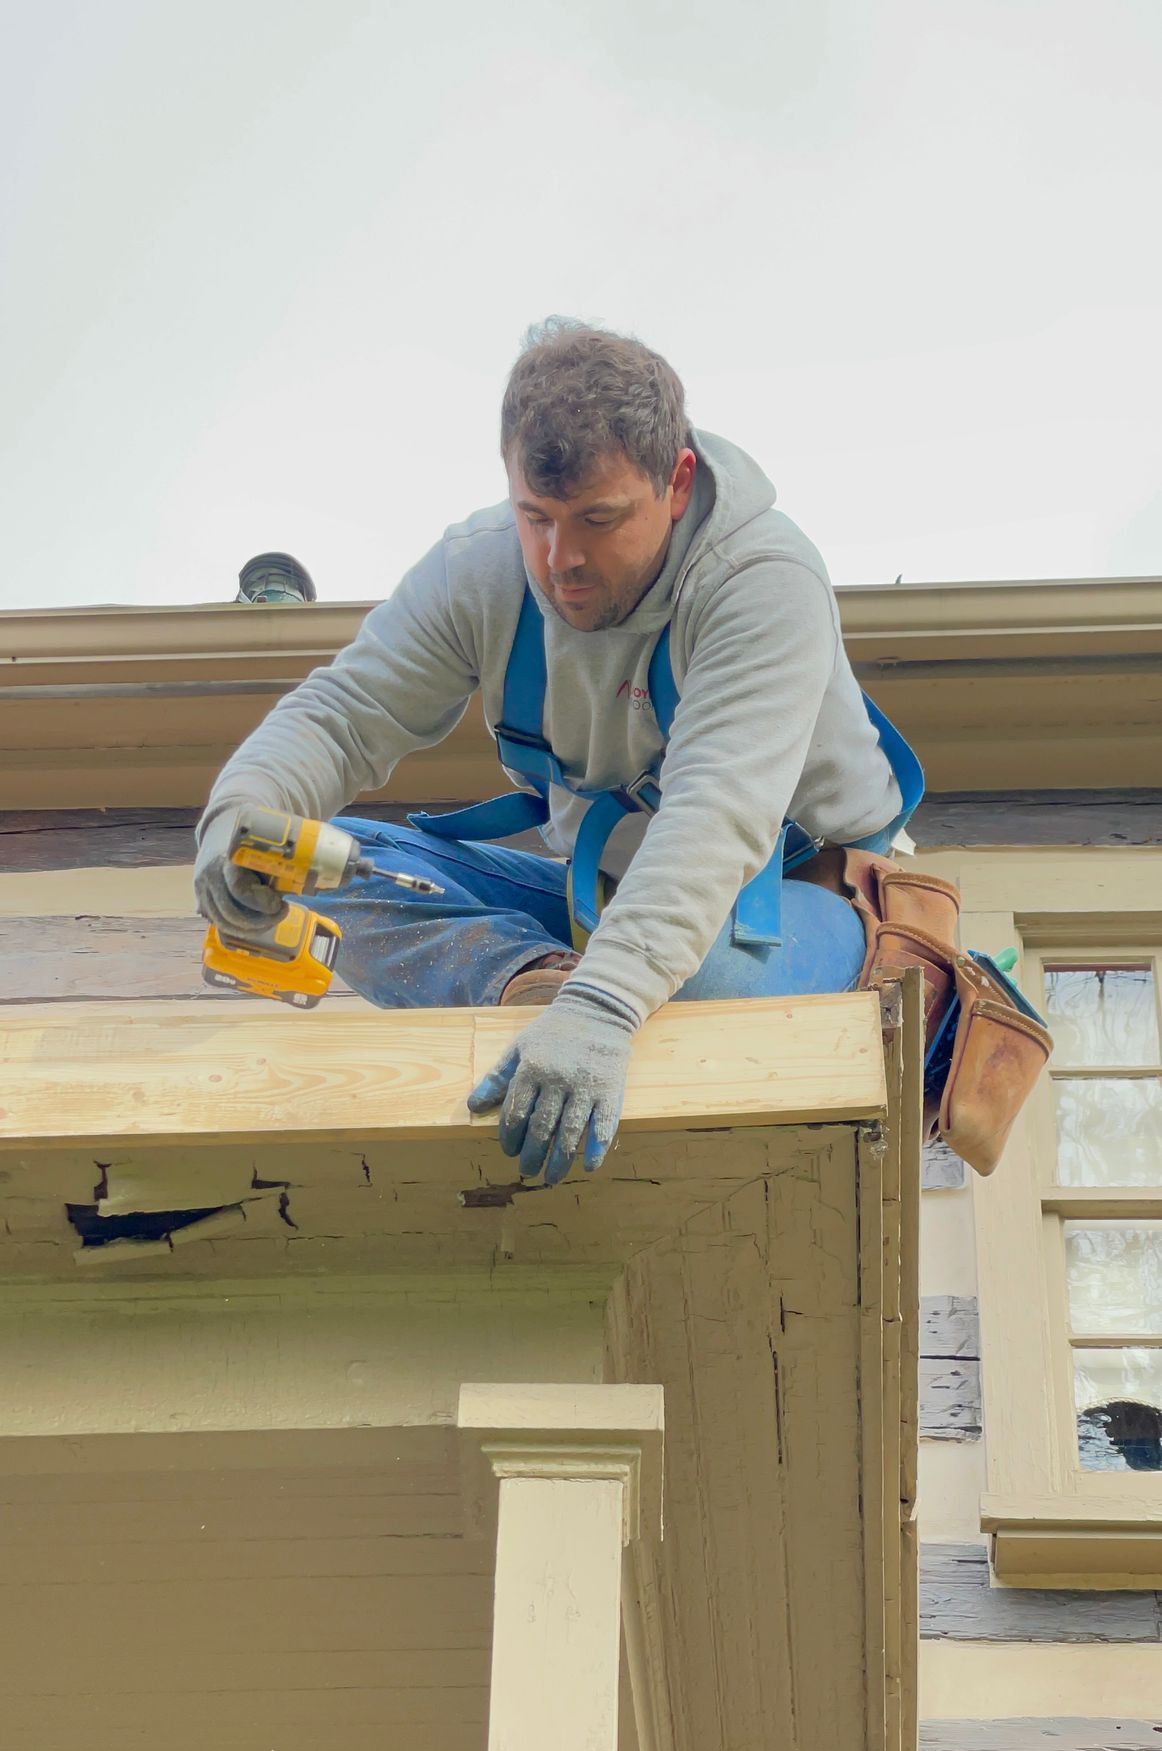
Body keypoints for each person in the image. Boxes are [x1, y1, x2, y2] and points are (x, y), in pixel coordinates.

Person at [195, 318, 918, 1185]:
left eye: (598, 519)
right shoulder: (482, 572)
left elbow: (714, 819)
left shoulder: (760, 580)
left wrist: (609, 1004)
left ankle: (591, 994)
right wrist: (241, 819)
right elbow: (345, 712)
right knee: (322, 866)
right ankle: (530, 985)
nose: (559, 560)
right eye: (534, 517)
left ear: (678, 482)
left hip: (799, 907)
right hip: (603, 912)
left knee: (686, 996)